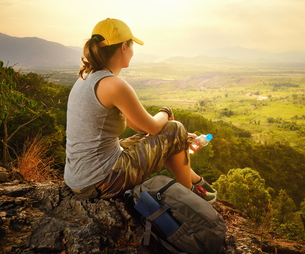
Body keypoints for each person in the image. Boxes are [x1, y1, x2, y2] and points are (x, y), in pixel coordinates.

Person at [64, 18, 216, 202]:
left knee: (171, 135)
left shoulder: (87, 78)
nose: (133, 51)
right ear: (123, 48)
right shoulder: (114, 85)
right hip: (101, 182)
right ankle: (190, 197)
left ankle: (196, 181)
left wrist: (179, 139)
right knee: (174, 128)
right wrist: (166, 112)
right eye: (131, 45)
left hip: (82, 179)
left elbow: (137, 125)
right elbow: (153, 127)